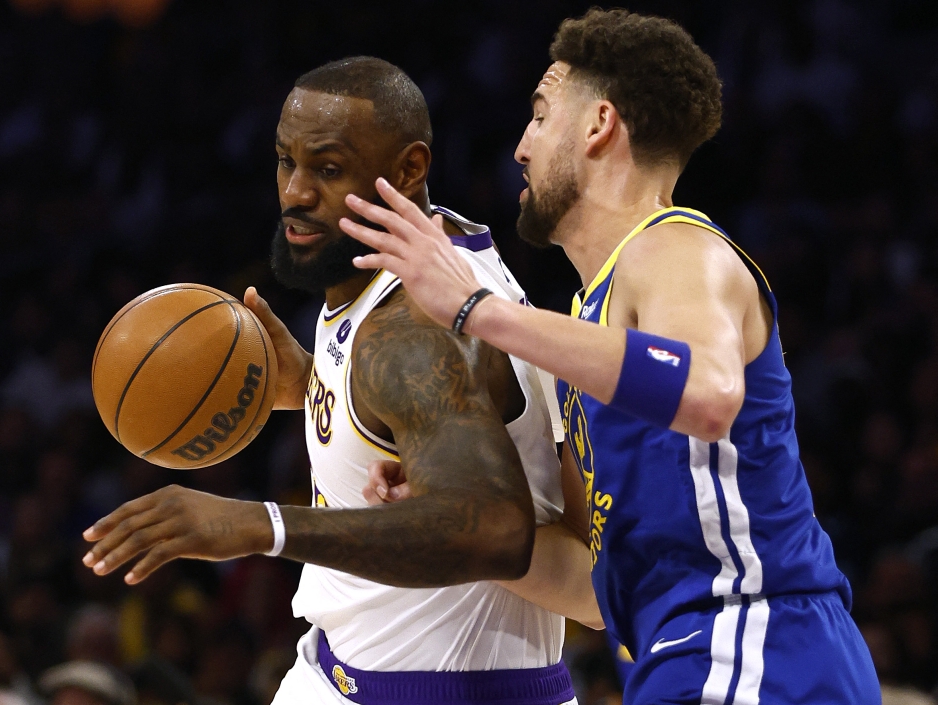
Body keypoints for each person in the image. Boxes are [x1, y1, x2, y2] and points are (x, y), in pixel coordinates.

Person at [339, 9, 881, 705]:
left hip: (754, 641)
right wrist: (455, 518)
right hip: (681, 653)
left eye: (538, 116)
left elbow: (709, 395)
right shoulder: (588, 329)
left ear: (598, 125)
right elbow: (590, 587)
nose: (519, 148)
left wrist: (476, 307)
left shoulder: (677, 248)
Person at [81, 57, 593, 705]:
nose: (295, 190)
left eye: (326, 168)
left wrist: (259, 524)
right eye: (284, 160)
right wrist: (321, 384)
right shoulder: (404, 245)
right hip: (334, 670)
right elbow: (420, 411)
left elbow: (492, 529)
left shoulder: (417, 326)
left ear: (409, 170)